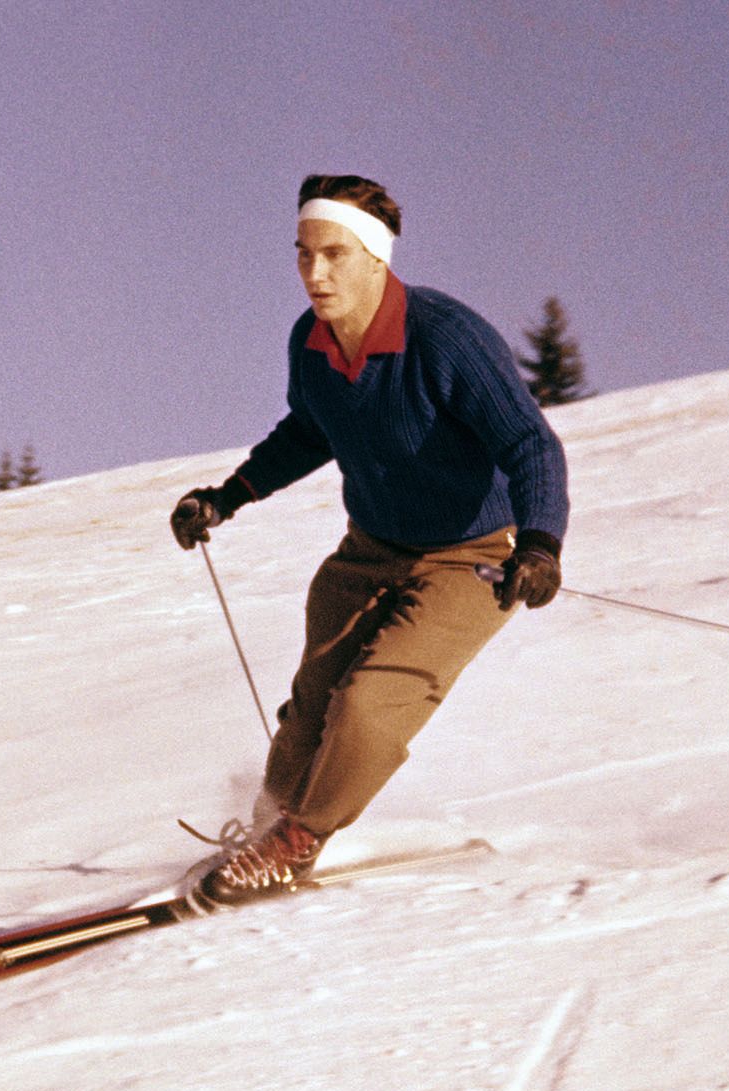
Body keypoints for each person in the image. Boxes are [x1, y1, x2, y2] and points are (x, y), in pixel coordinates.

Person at [170, 172, 570, 906]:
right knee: (312, 706)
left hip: (472, 557)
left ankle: (296, 844)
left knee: (371, 702)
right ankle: (272, 821)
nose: (314, 273)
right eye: (302, 254)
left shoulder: (447, 339)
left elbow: (530, 443)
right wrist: (227, 497)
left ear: (377, 257)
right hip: (370, 547)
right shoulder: (312, 342)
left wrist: (540, 545)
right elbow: (310, 429)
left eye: (334, 254)